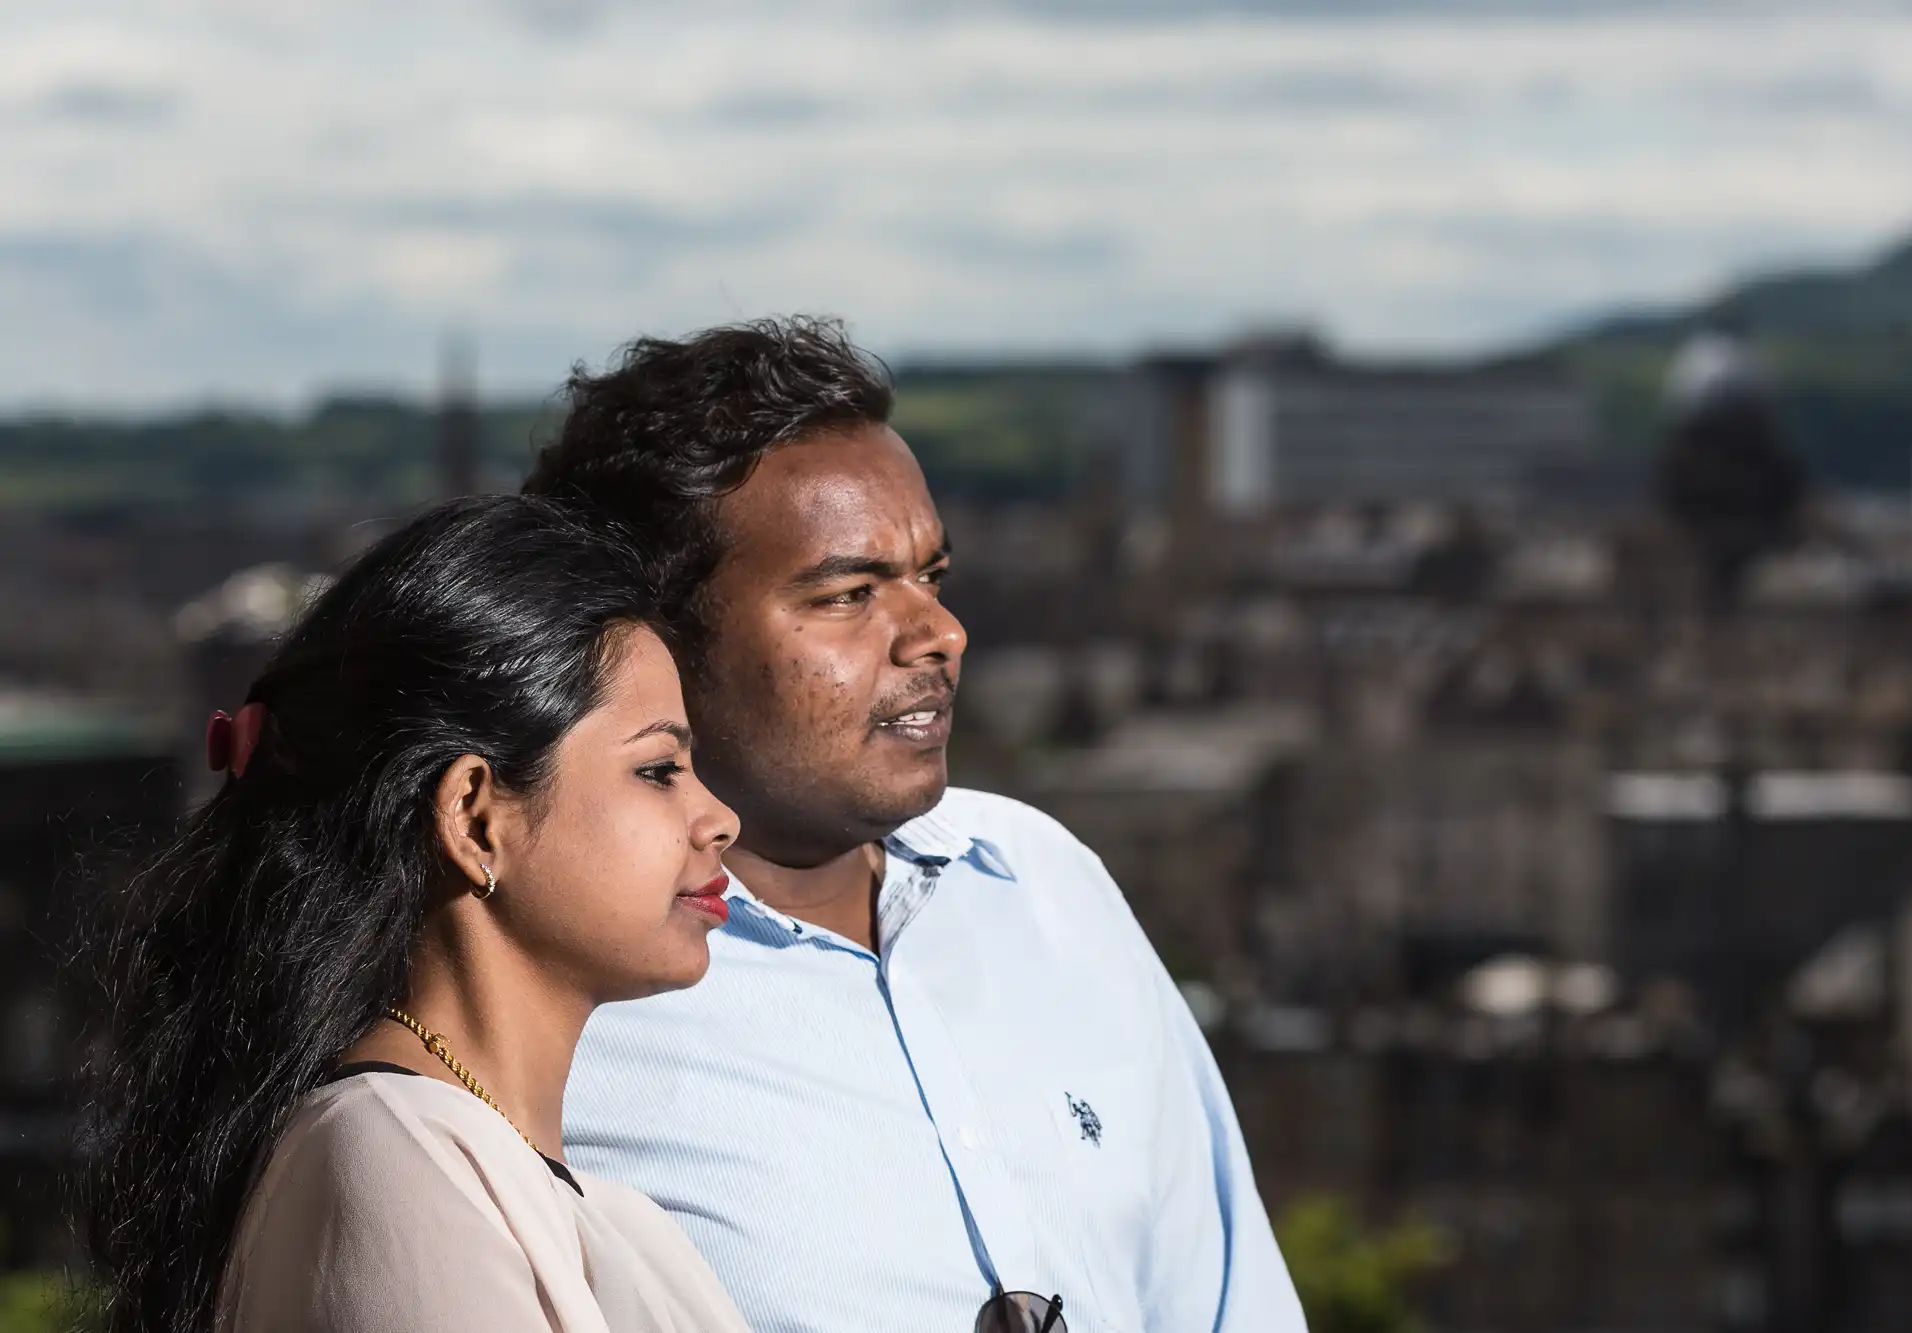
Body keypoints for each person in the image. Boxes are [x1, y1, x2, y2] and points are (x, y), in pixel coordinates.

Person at [527, 319, 1307, 1333]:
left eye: (930, 578)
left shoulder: (1042, 883)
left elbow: (1226, 1303)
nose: (940, 635)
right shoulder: (559, 1002)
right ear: (646, 641)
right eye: (848, 595)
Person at [78, 496, 751, 1333]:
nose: (718, 817)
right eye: (659, 768)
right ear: (474, 815)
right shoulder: (393, 1156)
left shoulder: (594, 1212)